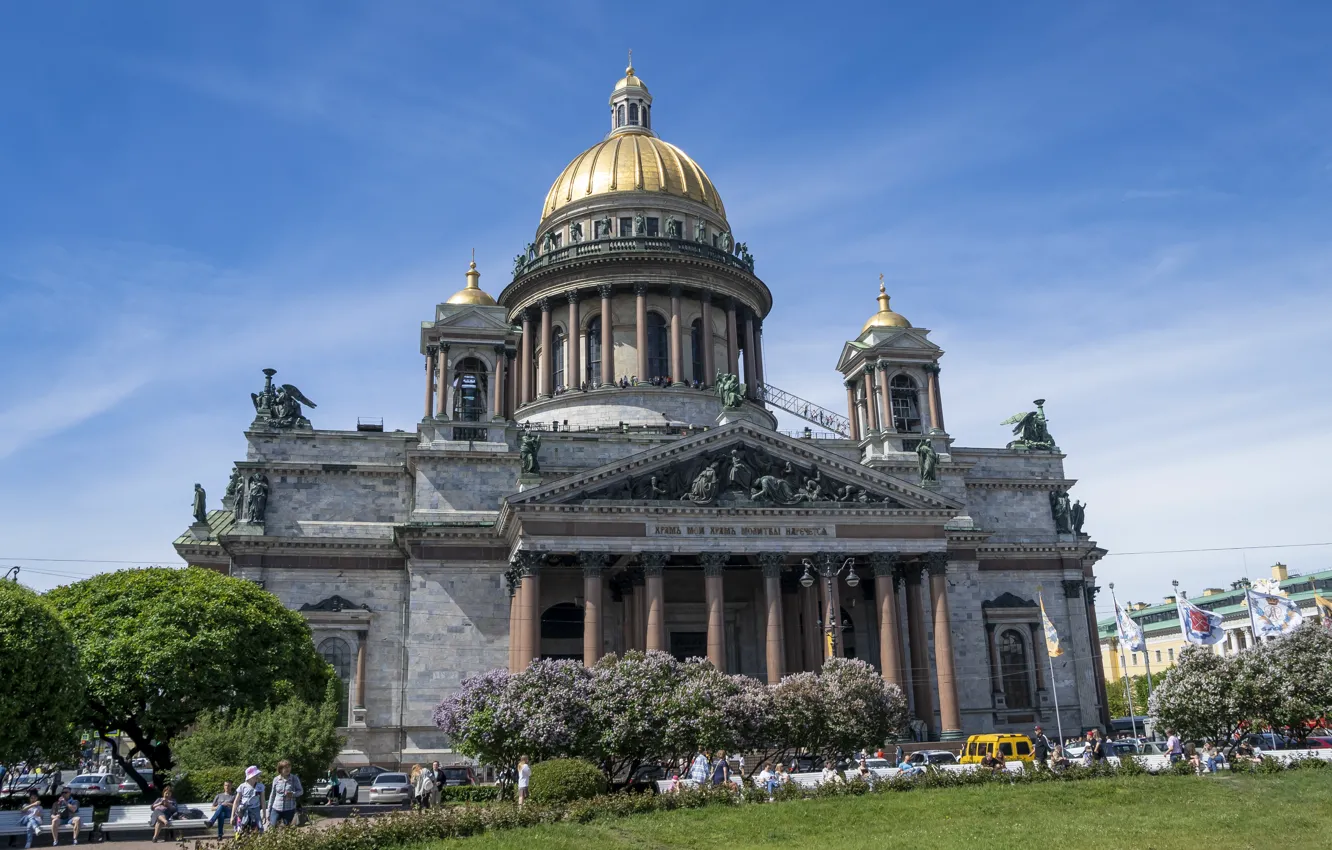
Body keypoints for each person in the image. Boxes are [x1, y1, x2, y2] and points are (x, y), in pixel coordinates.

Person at [267, 760, 303, 829]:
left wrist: (293, 794)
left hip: (289, 809)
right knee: (272, 827)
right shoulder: (276, 779)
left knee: (286, 829)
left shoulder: (294, 778)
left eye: (289, 767)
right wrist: (269, 810)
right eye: (285, 767)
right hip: (276, 808)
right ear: (280, 769)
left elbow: (301, 791)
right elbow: (272, 795)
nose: (288, 769)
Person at [232, 766, 264, 835]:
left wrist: (264, 813)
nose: (257, 776)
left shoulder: (260, 786)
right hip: (243, 811)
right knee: (241, 830)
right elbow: (236, 801)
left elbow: (263, 801)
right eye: (255, 775)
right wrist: (232, 816)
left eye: (257, 775)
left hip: (255, 811)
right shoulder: (242, 786)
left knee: (257, 830)